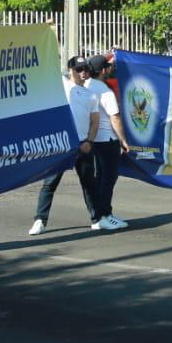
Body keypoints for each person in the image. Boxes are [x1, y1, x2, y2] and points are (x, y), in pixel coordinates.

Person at [30, 56, 104, 234]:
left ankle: (96, 219)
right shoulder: (63, 85)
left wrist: (89, 141)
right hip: (63, 144)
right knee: (50, 184)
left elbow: (95, 122)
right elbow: (47, 65)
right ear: (71, 70)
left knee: (89, 184)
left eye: (85, 68)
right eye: (79, 69)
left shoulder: (91, 94)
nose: (83, 72)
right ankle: (40, 220)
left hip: (82, 144)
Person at [85, 53, 130, 230]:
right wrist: (123, 140)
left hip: (91, 139)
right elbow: (115, 118)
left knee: (98, 178)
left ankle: (98, 216)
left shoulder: (86, 85)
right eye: (108, 66)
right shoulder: (104, 90)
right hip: (107, 139)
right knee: (108, 179)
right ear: (103, 70)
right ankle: (105, 214)